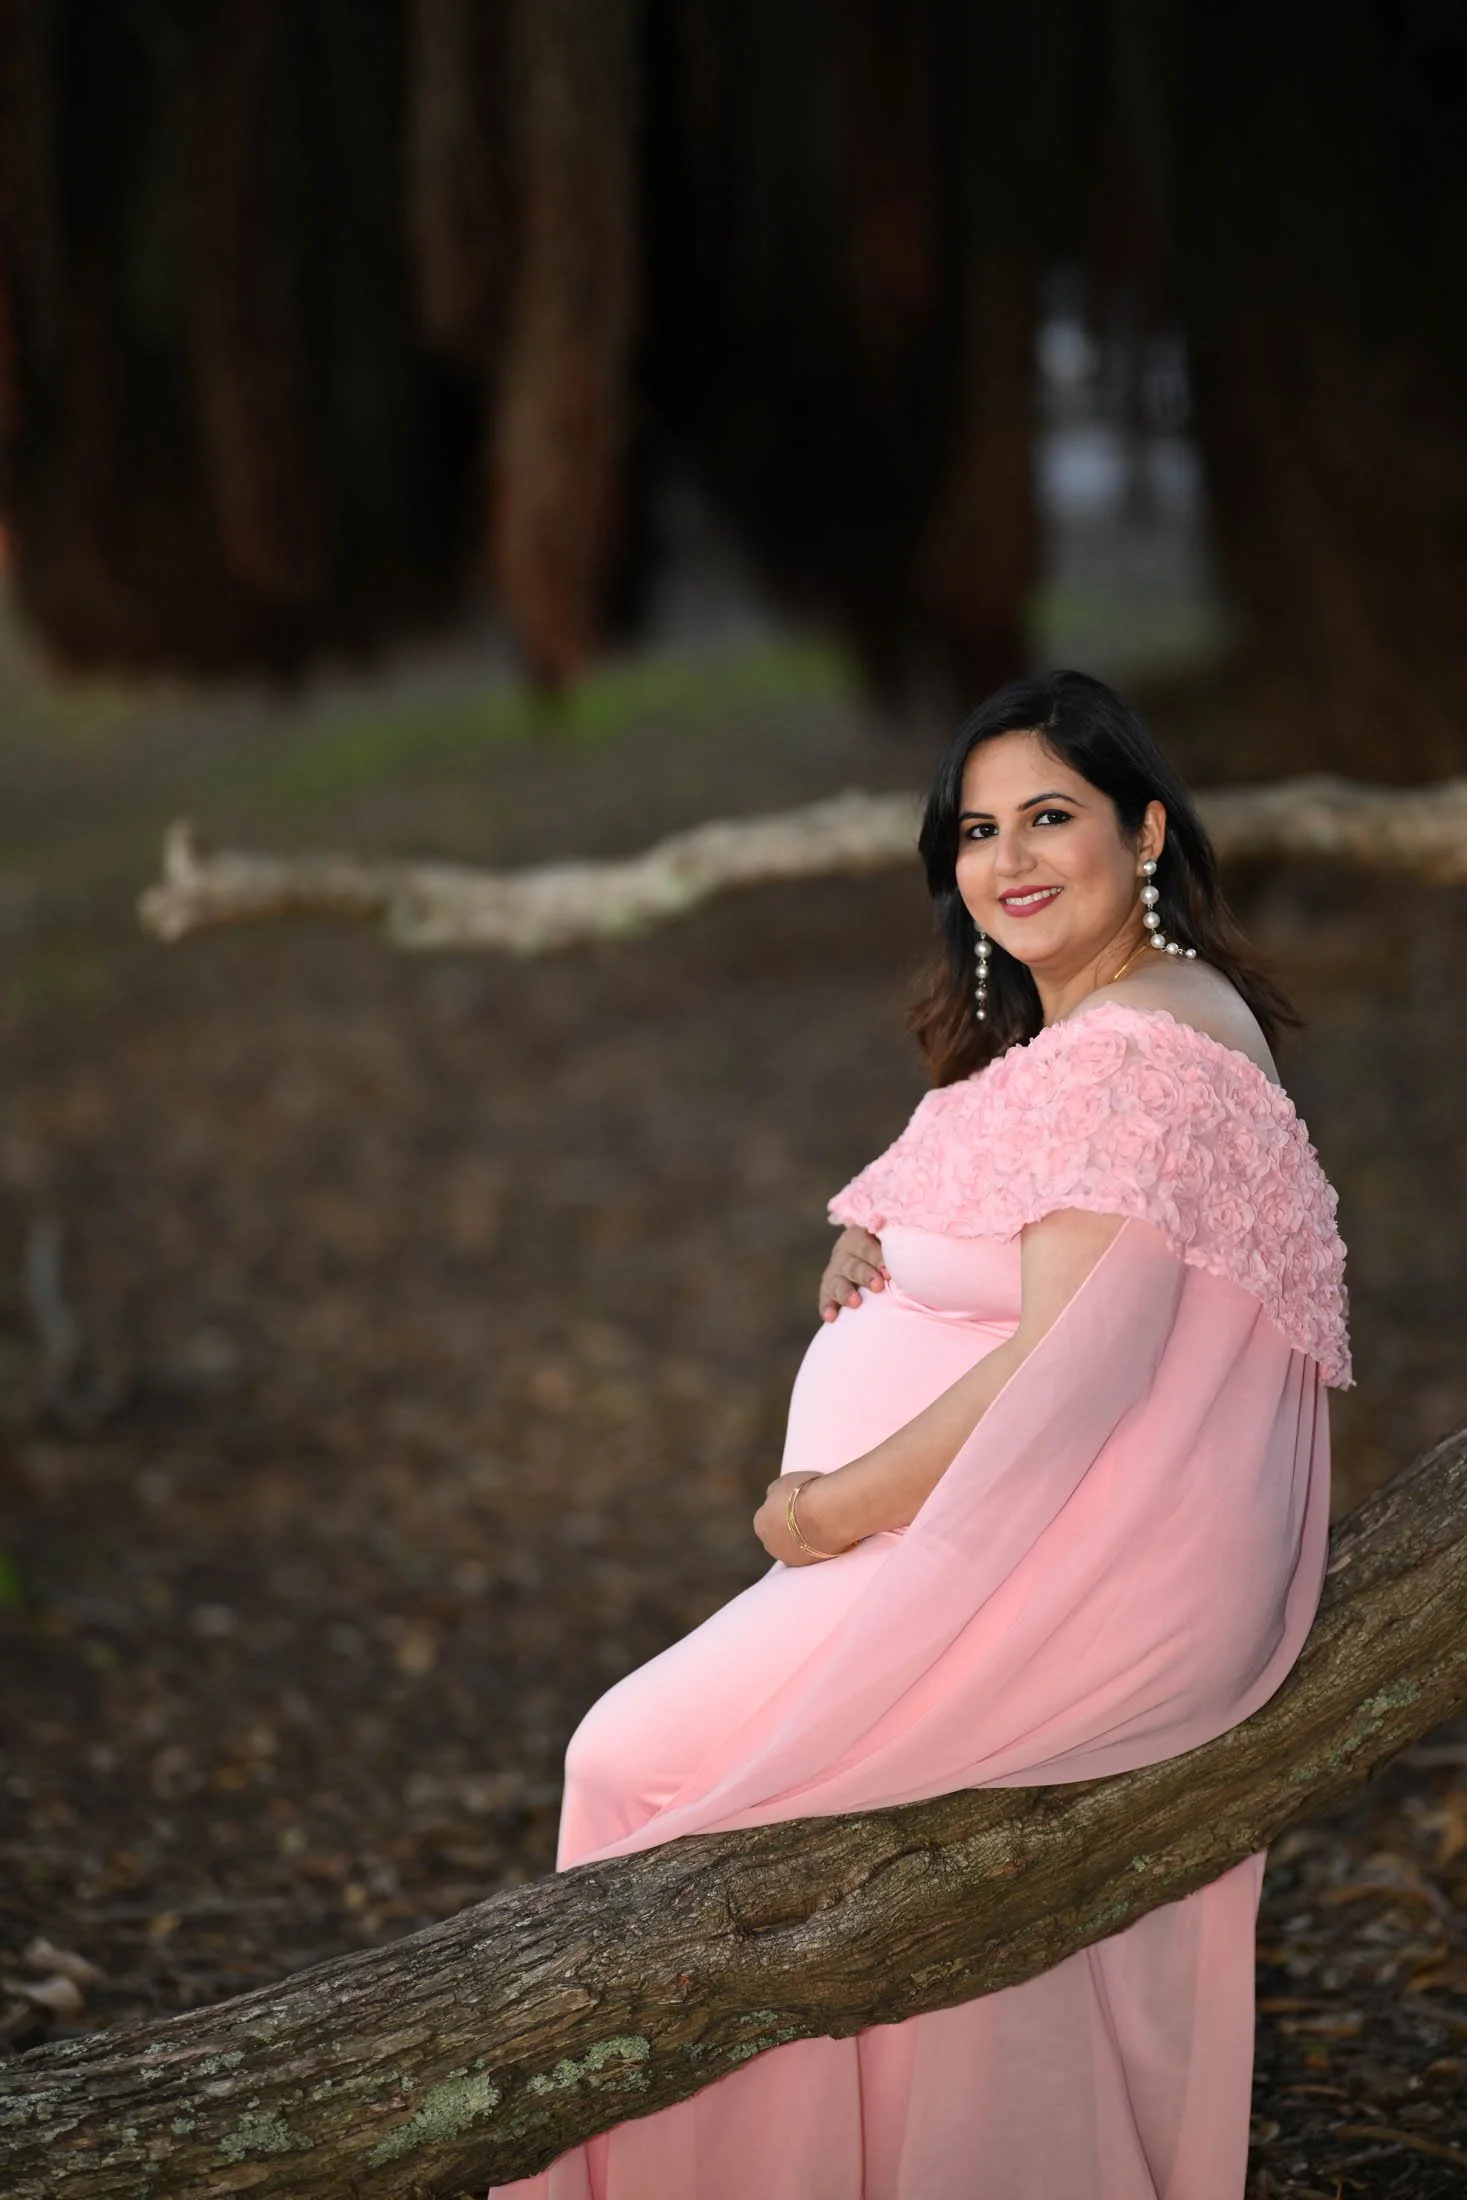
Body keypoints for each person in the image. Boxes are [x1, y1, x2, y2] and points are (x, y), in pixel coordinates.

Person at [490, 670, 1350, 2200]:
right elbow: (1045, 1262)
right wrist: (881, 1250)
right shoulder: (1117, 1022)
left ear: (1143, 830)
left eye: (1048, 817)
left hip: (1083, 1562)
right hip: (1052, 1537)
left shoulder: (1136, 1056)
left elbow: (1067, 1375)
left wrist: (829, 1513)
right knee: (882, 1874)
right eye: (974, 828)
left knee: (629, 1765)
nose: (1007, 858)